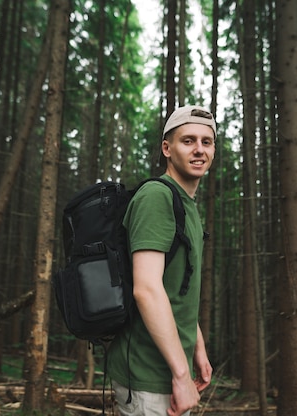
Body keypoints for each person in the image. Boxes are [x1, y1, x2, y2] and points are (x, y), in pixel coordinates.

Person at [107, 105, 216, 416]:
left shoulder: (186, 205)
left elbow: (176, 288)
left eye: (206, 142)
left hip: (169, 371)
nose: (199, 150)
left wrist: (198, 349)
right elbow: (147, 289)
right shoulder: (157, 197)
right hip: (148, 375)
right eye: (188, 141)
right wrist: (181, 376)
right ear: (167, 149)